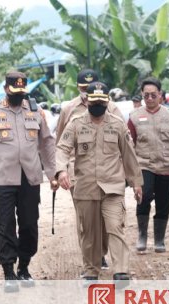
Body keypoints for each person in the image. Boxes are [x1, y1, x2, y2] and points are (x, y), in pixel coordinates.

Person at [0, 71, 57, 292]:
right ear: (5, 90)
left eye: (22, 92)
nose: (19, 96)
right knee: (6, 224)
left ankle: (24, 267)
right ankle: (9, 271)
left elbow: (47, 143)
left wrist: (53, 173)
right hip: (2, 178)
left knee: (29, 224)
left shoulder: (36, 111)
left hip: (30, 176)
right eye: (14, 91)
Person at [56, 82, 143, 284]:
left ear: (107, 102)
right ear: (87, 102)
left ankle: (121, 271)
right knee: (89, 232)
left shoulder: (117, 124)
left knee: (115, 227)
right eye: (94, 101)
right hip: (85, 187)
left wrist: (136, 182)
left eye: (101, 102)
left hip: (113, 186)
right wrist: (61, 171)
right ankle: (91, 270)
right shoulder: (76, 123)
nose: (97, 105)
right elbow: (62, 148)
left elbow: (129, 155)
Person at [55, 69, 121, 271]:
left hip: (107, 172)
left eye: (88, 88)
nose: (85, 93)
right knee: (86, 220)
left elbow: (123, 140)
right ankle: (91, 259)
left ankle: (99, 252)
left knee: (105, 218)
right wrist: (59, 171)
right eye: (83, 88)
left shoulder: (112, 108)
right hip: (78, 173)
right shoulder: (69, 109)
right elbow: (61, 142)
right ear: (78, 87)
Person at [127, 77, 169, 253]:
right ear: (142, 96)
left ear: (160, 95)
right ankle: (142, 235)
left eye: (153, 95)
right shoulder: (134, 117)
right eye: (146, 95)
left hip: (166, 165)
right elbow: (129, 144)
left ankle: (159, 239)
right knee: (144, 196)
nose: (149, 98)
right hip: (144, 164)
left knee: (163, 202)